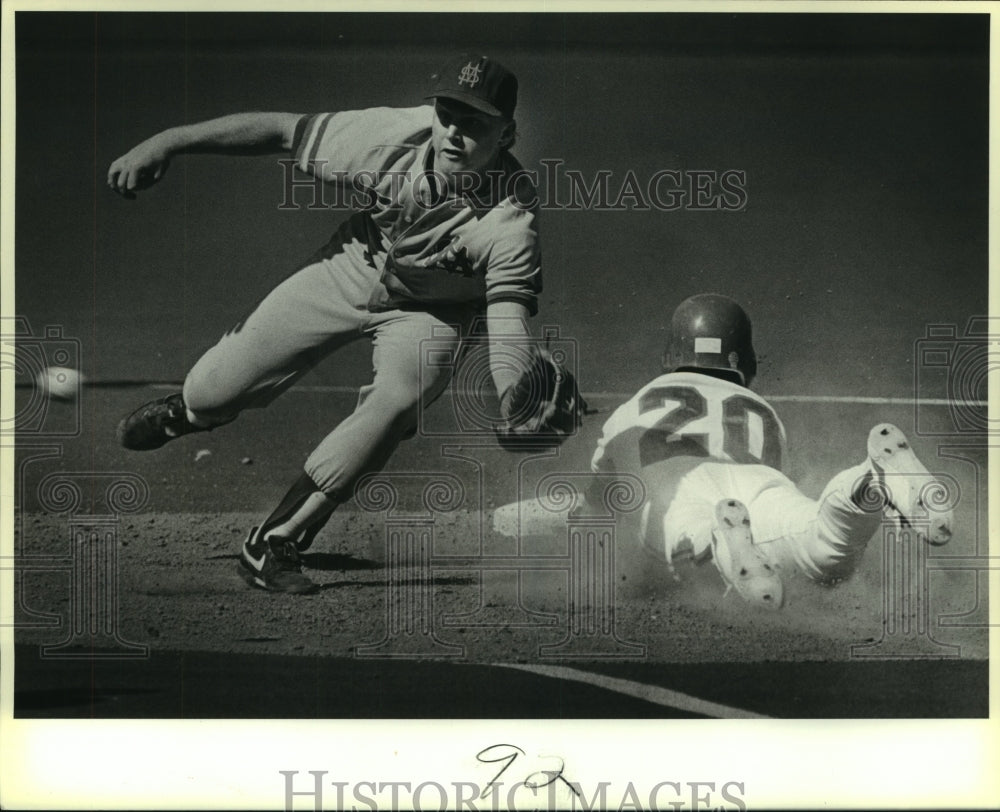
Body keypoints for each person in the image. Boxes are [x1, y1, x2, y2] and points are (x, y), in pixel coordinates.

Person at [108, 54, 543, 595]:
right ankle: (190, 413)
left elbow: (507, 316)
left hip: (434, 312)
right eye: (447, 115)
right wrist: (168, 141)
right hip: (355, 265)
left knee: (402, 399)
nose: (454, 134)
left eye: (475, 123)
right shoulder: (390, 137)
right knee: (213, 389)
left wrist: (513, 397)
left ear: (507, 134)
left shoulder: (511, 222)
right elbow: (281, 132)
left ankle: (275, 541)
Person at [587, 293, 954, 609]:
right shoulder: (763, 411)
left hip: (678, 486)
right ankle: (867, 482)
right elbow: (780, 472)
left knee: (694, 543)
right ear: (742, 359)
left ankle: (719, 546)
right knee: (818, 544)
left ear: (673, 353)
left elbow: (600, 502)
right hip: (758, 481)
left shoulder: (630, 409)